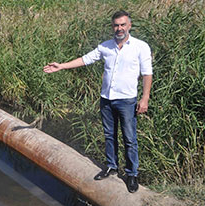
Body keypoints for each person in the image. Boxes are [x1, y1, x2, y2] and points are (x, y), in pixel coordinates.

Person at [43, 10, 153, 193]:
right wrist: (61, 66)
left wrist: (145, 98)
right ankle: (112, 167)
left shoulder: (140, 47)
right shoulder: (106, 47)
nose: (119, 28)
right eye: (116, 25)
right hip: (107, 100)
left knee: (130, 139)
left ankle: (132, 174)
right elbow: (86, 59)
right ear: (113, 27)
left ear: (129, 26)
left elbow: (147, 73)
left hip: (126, 101)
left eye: (122, 24)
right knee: (109, 135)